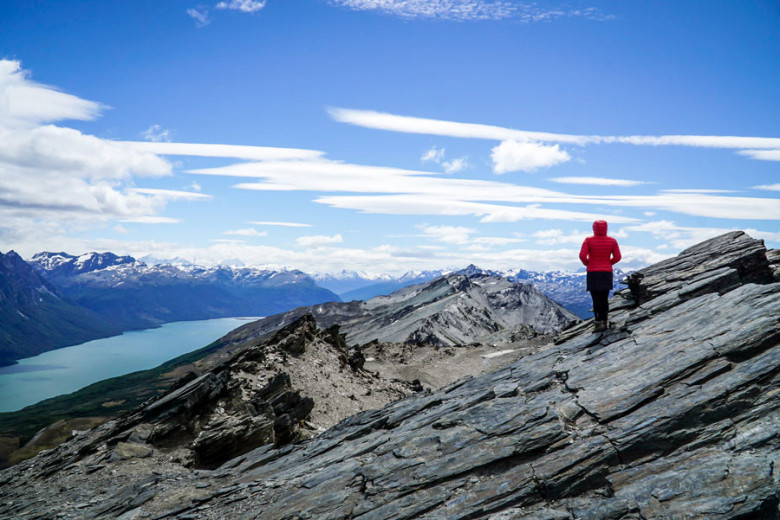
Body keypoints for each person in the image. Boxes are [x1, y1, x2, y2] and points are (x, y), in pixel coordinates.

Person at [579, 220, 621, 332]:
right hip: (606, 273)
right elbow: (617, 257)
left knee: (596, 298)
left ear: (594, 228)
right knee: (604, 297)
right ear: (606, 228)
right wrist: (608, 263)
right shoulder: (612, 241)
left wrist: (588, 263)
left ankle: (598, 322)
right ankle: (605, 321)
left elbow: (582, 256)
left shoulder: (588, 240)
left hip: (593, 272)